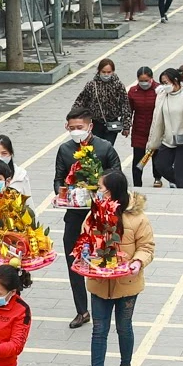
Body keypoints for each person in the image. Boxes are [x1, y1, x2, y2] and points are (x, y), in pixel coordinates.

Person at [77, 171, 154, 366]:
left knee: (123, 326)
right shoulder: (95, 214)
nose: (98, 191)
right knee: (99, 329)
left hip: (127, 282)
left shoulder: (137, 217)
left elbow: (147, 247)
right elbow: (85, 237)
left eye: (102, 188)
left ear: (113, 190)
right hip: (99, 281)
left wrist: (137, 262)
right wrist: (85, 251)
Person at [54, 113, 123, 327]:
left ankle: (106, 304)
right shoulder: (65, 150)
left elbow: (118, 178)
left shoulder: (105, 148)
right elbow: (58, 179)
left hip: (101, 219)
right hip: (74, 216)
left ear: (90, 126)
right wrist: (63, 194)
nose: (76, 130)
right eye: (72, 127)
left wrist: (101, 193)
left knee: (103, 259)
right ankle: (82, 310)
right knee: (73, 261)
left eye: (80, 126)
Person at [144, 68, 183, 189]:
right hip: (168, 140)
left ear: (175, 81)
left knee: (182, 171)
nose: (165, 86)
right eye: (162, 83)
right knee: (160, 165)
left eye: (166, 82)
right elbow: (157, 119)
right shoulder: (162, 96)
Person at [73, 59, 134, 149]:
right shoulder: (91, 85)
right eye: (103, 72)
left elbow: (125, 105)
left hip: (112, 124)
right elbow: (80, 102)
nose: (106, 74)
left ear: (113, 71)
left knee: (107, 148)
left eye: (109, 72)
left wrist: (126, 126)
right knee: (95, 149)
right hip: (96, 124)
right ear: (99, 71)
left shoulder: (118, 85)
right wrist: (75, 119)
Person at [127, 67, 158, 187]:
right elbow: (129, 111)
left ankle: (157, 178)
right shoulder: (133, 91)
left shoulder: (158, 90)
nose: (144, 83)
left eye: (146, 80)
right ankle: (137, 183)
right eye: (141, 80)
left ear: (151, 78)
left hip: (155, 130)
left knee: (157, 156)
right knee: (138, 158)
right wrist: (126, 126)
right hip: (139, 130)